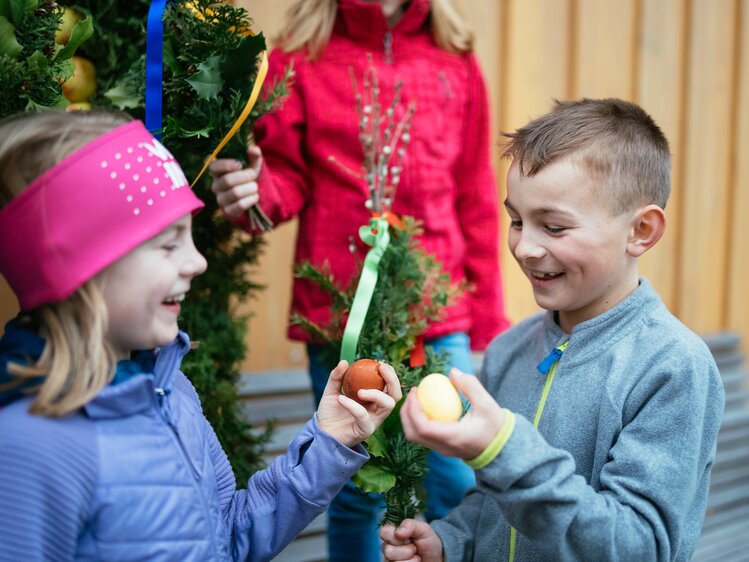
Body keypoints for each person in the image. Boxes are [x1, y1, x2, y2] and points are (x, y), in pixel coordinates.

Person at [0, 110, 402, 562]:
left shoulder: (170, 390)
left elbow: (228, 538)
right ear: (78, 269)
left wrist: (328, 440)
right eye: (168, 244)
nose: (197, 262)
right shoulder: (28, 448)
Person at [209, 0, 511, 559]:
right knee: (354, 486)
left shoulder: (454, 58)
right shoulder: (303, 57)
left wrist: (488, 317)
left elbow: (472, 193)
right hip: (339, 313)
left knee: (456, 479)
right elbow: (283, 178)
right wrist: (252, 195)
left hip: (438, 312)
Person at [380, 98, 726, 561]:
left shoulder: (672, 367)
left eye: (555, 227)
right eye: (518, 221)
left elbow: (638, 546)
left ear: (641, 230)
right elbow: (495, 501)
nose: (524, 247)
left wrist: (505, 448)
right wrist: (452, 541)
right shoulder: (509, 350)